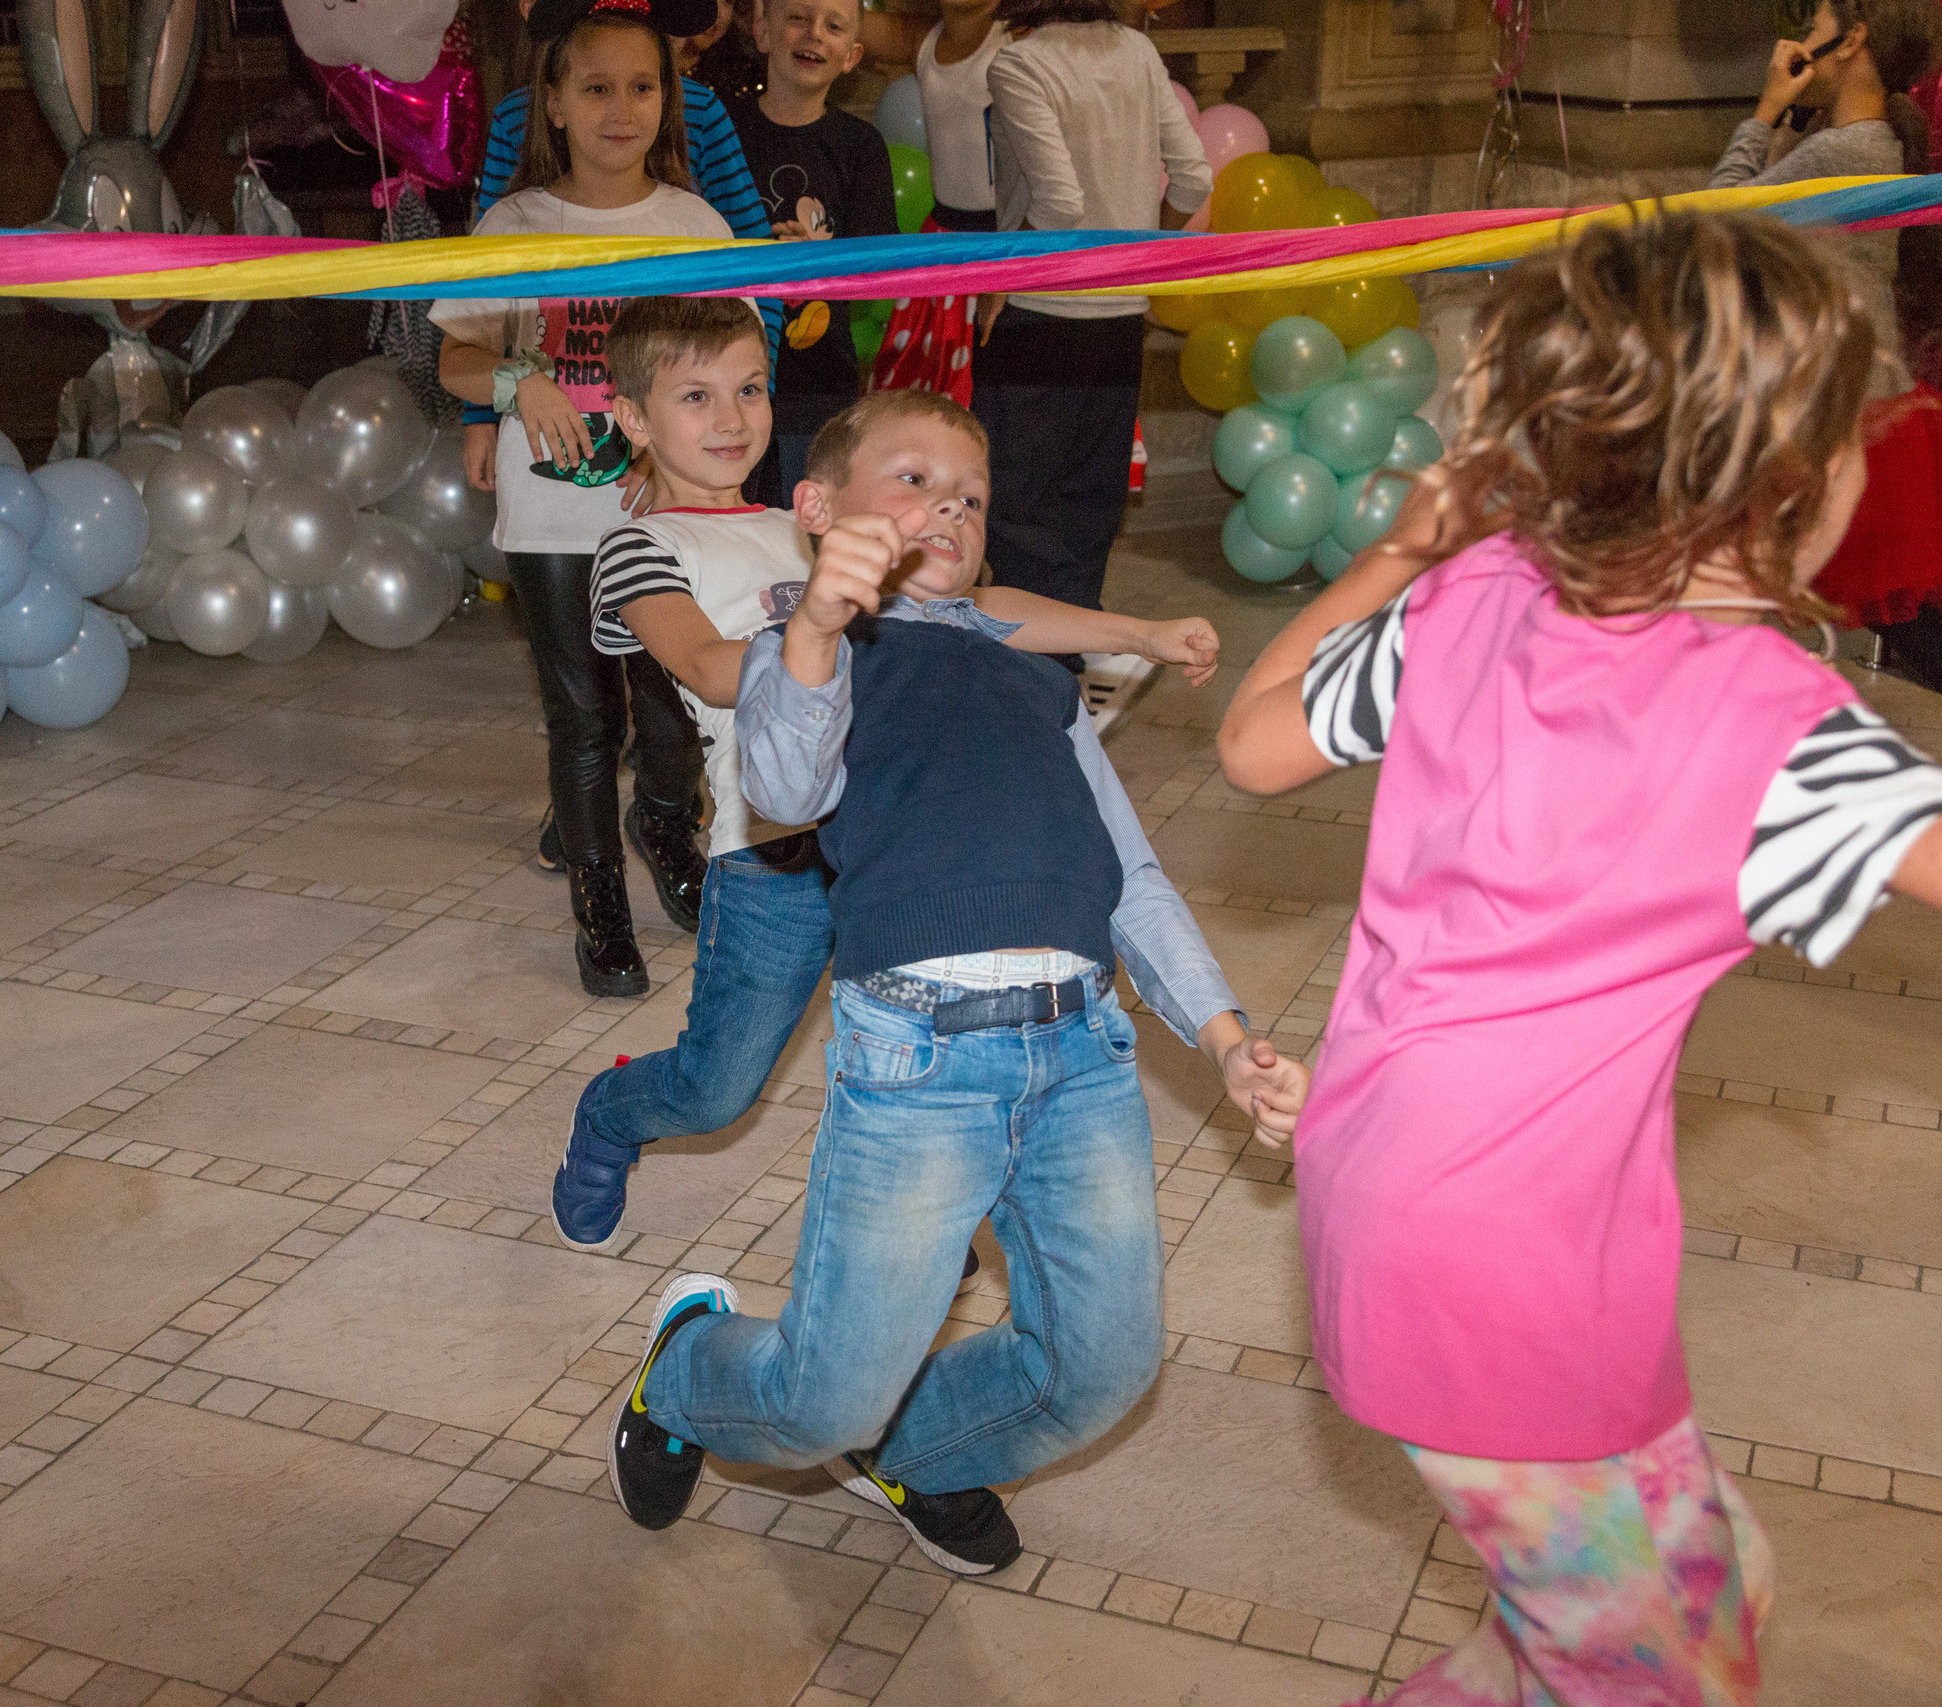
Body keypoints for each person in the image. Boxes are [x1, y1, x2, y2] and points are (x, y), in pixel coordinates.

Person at [1215, 208, 1942, 1702]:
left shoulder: (1473, 590)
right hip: (1499, 1280)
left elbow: (1253, 744)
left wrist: (1404, 548)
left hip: (1413, 1205)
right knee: (1659, 1669)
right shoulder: (1771, 727)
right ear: (1790, 477)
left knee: (1706, 1590)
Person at [604, 383, 1307, 1574]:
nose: (950, 510)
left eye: (972, 497)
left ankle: (919, 1454)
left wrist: (1226, 1038)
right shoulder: (807, 651)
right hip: (916, 1063)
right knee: (819, 1404)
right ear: (818, 510)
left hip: (1083, 1054)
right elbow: (783, 786)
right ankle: (683, 1370)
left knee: (1099, 1368)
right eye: (915, 481)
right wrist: (817, 628)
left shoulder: (1034, 677)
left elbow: (1130, 878)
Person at [560, 298, 1222, 1249]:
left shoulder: (807, 520)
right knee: (716, 1089)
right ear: (632, 417)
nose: (733, 418)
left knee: (924, 1046)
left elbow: (976, 604)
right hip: (778, 856)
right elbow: (707, 666)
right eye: (697, 397)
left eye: (750, 389)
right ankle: (610, 1112)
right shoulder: (643, 545)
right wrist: (820, 623)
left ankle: (926, 1214)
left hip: (902, 837)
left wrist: (1139, 633)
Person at [432, 0, 731, 998]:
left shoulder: (694, 226)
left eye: (641, 87)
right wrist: (517, 382)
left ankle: (665, 825)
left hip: (665, 511)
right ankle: (598, 896)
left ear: (668, 100)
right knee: (582, 715)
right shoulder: (514, 225)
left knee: (675, 705)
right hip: (553, 515)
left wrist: (685, 455)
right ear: (552, 103)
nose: (621, 108)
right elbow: (457, 355)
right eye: (596, 88)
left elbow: (730, 364)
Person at [1713, 0, 1942, 804]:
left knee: (1735, 568)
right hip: (1849, 401)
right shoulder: (1863, 144)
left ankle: (1735, 762)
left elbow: (1718, 215)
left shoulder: (1841, 151)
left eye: (1815, 25)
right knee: (1877, 602)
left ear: (1854, 41)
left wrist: (1764, 111)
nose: (1800, 40)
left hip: (1823, 411)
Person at [970, 0, 1209, 649]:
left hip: (1040, 316)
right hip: (1120, 319)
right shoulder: (1137, 50)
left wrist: (1000, 276)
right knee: (1090, 504)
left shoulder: (1020, 63)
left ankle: (1038, 669)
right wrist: (1138, 251)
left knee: (1014, 509)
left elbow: (1059, 203)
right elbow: (1193, 178)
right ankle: (1069, 660)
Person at [723, 0, 898, 497]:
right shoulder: (720, 131)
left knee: (809, 518)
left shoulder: (860, 145)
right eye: (798, 18)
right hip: (721, 376)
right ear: (762, 31)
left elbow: (877, 270)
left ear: (852, 56)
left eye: (833, 26)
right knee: (726, 514)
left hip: (818, 385)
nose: (814, 34)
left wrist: (817, 260)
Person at [867, 0, 1003, 408]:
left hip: (1005, 245)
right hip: (942, 242)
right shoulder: (922, 38)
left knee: (994, 397)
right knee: (918, 402)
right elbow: (843, 19)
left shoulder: (1020, 37)